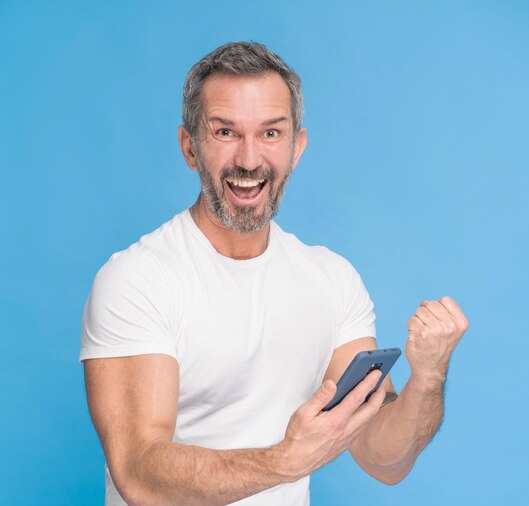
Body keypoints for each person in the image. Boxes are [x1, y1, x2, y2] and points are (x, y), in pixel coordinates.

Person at [80, 41, 469, 506]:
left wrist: (427, 377)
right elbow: (139, 474)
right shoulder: (138, 279)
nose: (248, 160)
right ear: (190, 147)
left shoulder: (330, 278)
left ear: (296, 147)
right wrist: (286, 460)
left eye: (270, 133)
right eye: (225, 132)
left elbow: (384, 460)